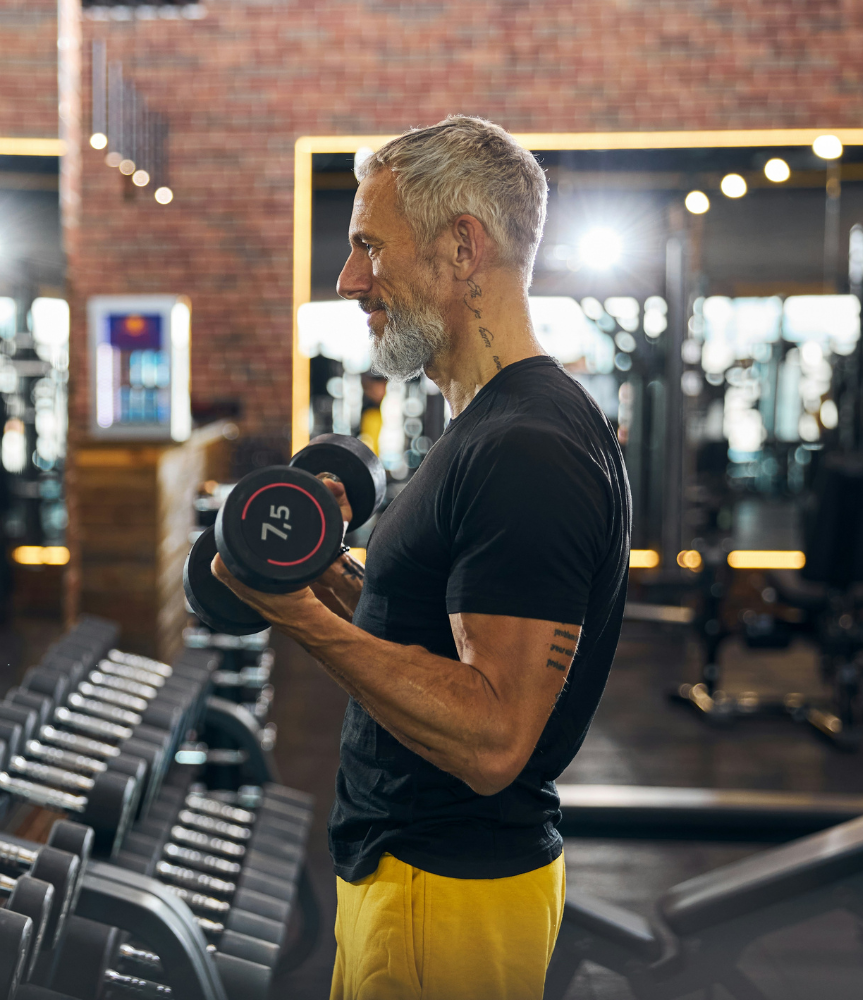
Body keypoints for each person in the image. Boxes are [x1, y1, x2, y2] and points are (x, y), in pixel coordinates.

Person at [213, 116, 631, 1000]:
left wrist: (300, 625)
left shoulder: (527, 449)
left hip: (445, 901)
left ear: (461, 246)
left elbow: (490, 737)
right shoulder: (489, 424)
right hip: (414, 886)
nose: (350, 279)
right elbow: (447, 633)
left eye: (369, 245)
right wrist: (331, 582)